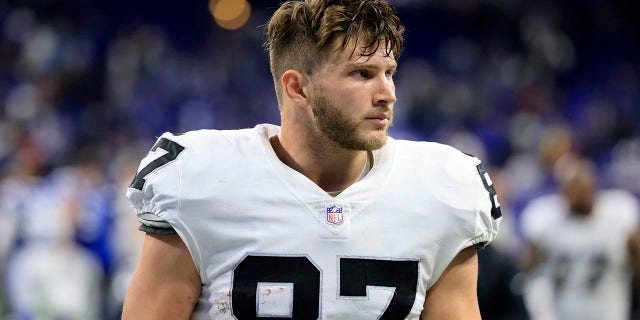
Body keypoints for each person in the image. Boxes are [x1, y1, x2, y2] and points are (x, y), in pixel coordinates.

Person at [122, 0, 501, 318]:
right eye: (362, 73)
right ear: (297, 87)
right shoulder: (199, 179)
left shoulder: (441, 188)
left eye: (389, 73)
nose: (387, 93)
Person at [520, 155, 640, 320]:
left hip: (609, 313)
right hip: (561, 313)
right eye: (573, 187)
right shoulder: (545, 219)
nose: (580, 194)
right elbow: (528, 271)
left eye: (582, 186)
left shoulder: (620, 214)